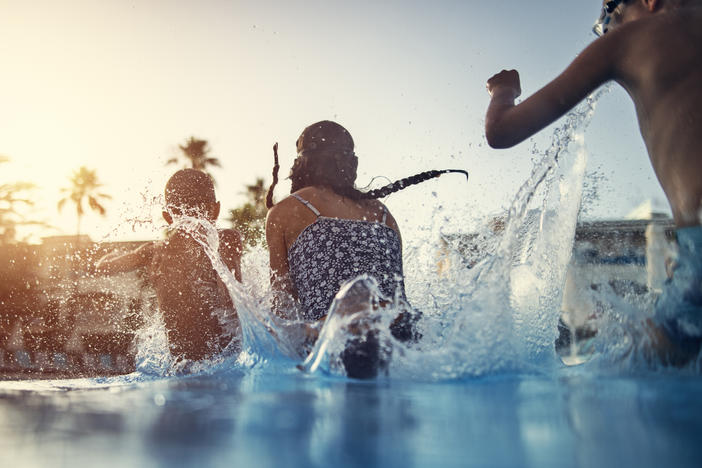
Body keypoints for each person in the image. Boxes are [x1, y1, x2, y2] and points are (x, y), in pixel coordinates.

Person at [484, 0, 702, 364]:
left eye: (608, 18)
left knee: (644, 365)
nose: (609, 30)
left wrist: (502, 92)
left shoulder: (628, 40)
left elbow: (501, 131)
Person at [265, 120, 467, 378]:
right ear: (351, 164)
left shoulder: (286, 210)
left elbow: (282, 304)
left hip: (341, 338)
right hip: (402, 331)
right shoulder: (383, 213)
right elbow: (398, 294)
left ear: (301, 164)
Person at [97, 169, 243, 362]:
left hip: (179, 369)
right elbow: (233, 304)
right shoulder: (225, 240)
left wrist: (111, 255)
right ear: (215, 210)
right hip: (222, 362)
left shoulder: (154, 251)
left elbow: (103, 267)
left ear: (168, 217)